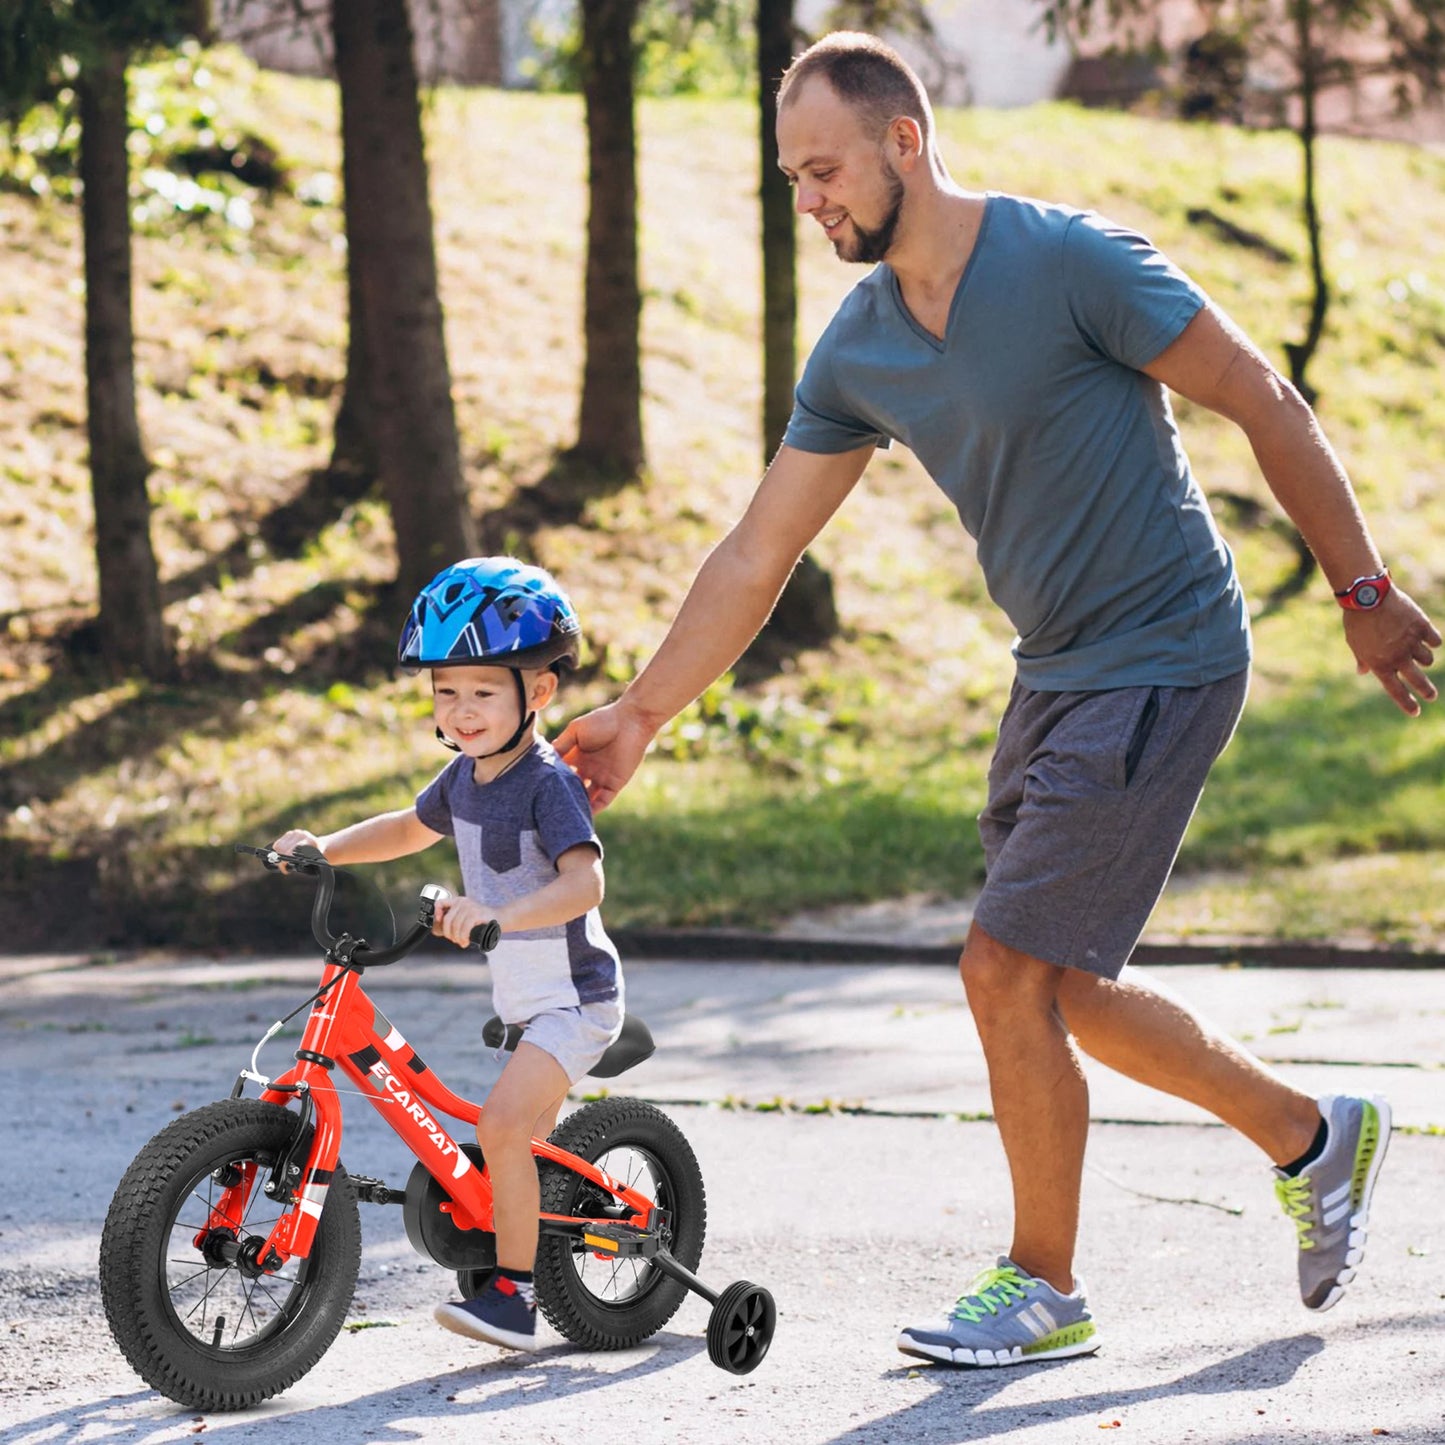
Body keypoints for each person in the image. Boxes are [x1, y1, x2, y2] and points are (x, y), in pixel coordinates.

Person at [554, 32, 1441, 1367]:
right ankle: (1311, 1138)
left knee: (1001, 968)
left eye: (826, 170)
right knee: (1058, 989)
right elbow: (758, 551)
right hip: (1058, 671)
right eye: (794, 179)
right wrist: (643, 710)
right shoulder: (860, 348)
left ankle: (1044, 1285)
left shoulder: (1069, 261)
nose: (812, 201)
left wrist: (1361, 593)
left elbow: (1259, 394)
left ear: (904, 141)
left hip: (1167, 648)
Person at [273, 556, 623, 1353]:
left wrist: (499, 912)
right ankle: (522, 1246)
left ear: (537, 691)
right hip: (523, 997)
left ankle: (515, 1298)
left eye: (482, 691)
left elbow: (585, 883)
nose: (461, 711)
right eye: (445, 691)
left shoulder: (545, 783)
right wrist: (322, 846)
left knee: (501, 1124)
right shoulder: (466, 776)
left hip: (576, 997)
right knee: (519, 1142)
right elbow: (406, 826)